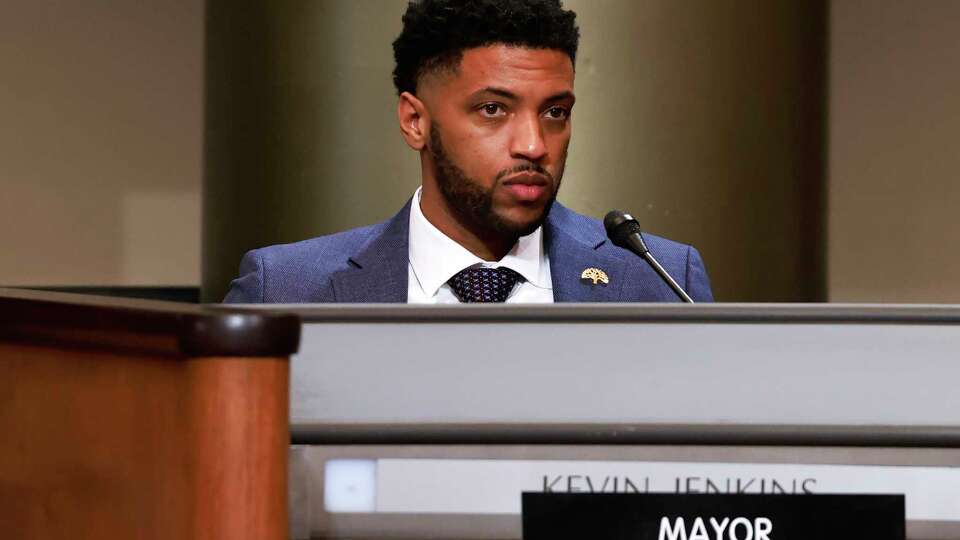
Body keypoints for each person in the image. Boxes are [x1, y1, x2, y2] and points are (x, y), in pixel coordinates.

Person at [225, 0, 712, 304]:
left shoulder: (660, 282)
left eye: (555, 113)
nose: (533, 145)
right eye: (494, 110)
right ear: (415, 121)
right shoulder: (286, 291)